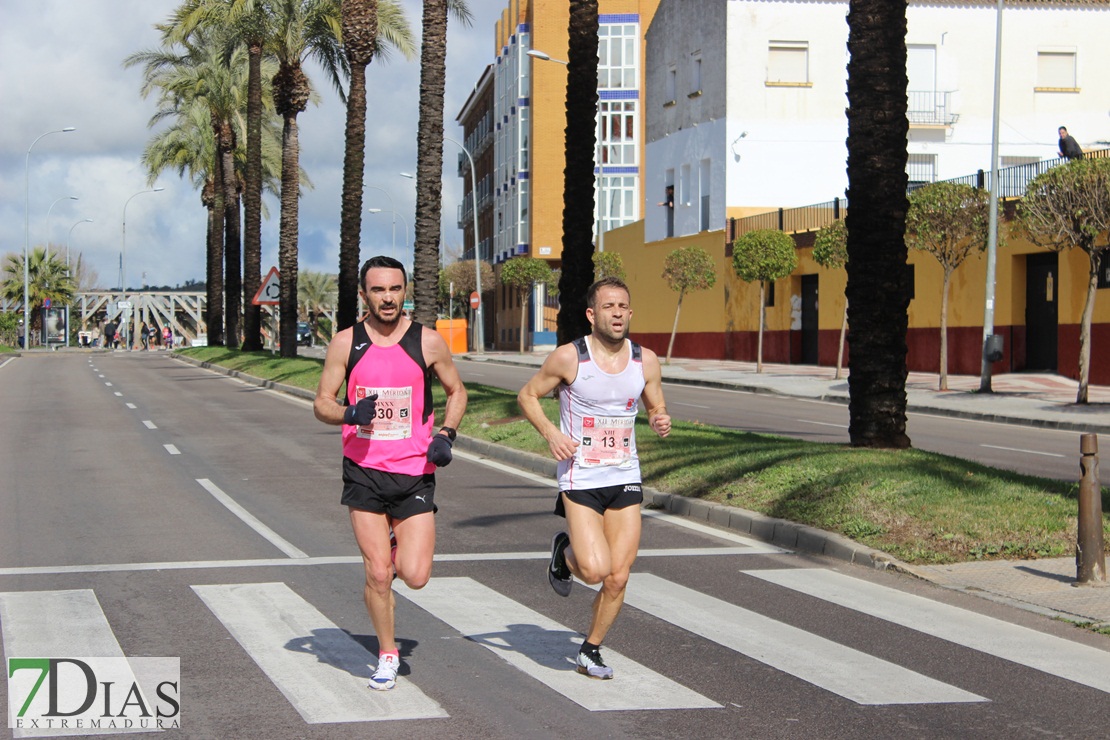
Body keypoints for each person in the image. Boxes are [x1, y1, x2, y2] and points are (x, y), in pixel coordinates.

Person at [314, 255, 467, 691]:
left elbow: (458, 392)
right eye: (378, 290)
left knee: (415, 576)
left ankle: (396, 541)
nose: (387, 298)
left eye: (394, 289)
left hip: (415, 472)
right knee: (379, 573)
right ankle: (387, 653)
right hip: (363, 471)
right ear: (364, 294)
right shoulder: (346, 343)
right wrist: (348, 412)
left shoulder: (428, 342)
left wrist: (446, 435)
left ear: (406, 292)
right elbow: (321, 401)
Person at [517, 277, 672, 681]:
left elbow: (654, 401)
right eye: (609, 306)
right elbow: (527, 395)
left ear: (630, 312)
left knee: (619, 575)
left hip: (625, 473)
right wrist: (552, 434)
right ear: (592, 314)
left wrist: (658, 417)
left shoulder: (646, 359)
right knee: (593, 570)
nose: (617, 313)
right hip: (581, 475)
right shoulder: (570, 358)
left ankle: (591, 649)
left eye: (623, 306)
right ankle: (565, 554)